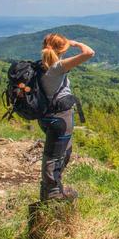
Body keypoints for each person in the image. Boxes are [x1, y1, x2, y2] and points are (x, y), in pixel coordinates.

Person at [38, 33, 94, 201]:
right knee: (53, 155)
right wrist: (75, 43)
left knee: (63, 151)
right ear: (61, 49)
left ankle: (53, 187)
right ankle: (53, 194)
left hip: (46, 116)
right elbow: (89, 52)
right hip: (60, 118)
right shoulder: (57, 67)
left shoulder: (39, 66)